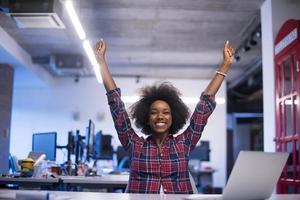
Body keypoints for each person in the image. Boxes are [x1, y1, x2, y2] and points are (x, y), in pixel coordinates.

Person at [94, 39, 235, 194]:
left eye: (166, 112)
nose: (160, 116)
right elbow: (116, 105)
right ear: (147, 118)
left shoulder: (184, 144)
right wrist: (101, 61)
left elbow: (204, 106)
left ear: (173, 117)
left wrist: (225, 65)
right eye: (154, 112)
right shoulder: (134, 144)